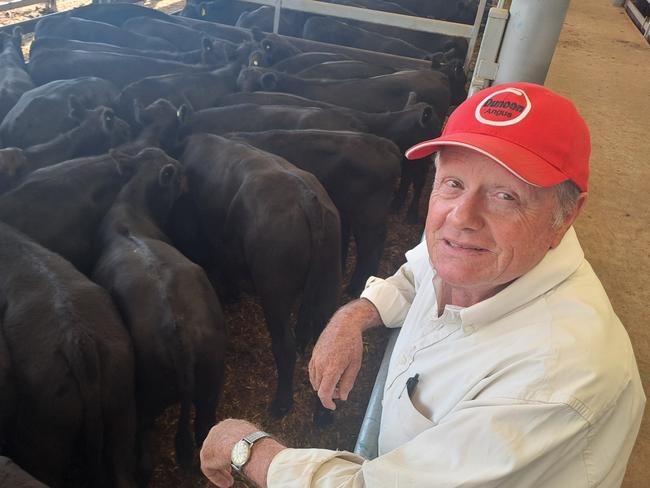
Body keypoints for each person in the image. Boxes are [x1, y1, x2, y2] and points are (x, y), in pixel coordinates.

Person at [199, 82, 646, 488]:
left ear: (566, 215)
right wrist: (354, 317)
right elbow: (417, 272)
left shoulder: (555, 382)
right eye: (452, 183)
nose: (462, 217)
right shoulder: (489, 253)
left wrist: (247, 449)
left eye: (505, 195)